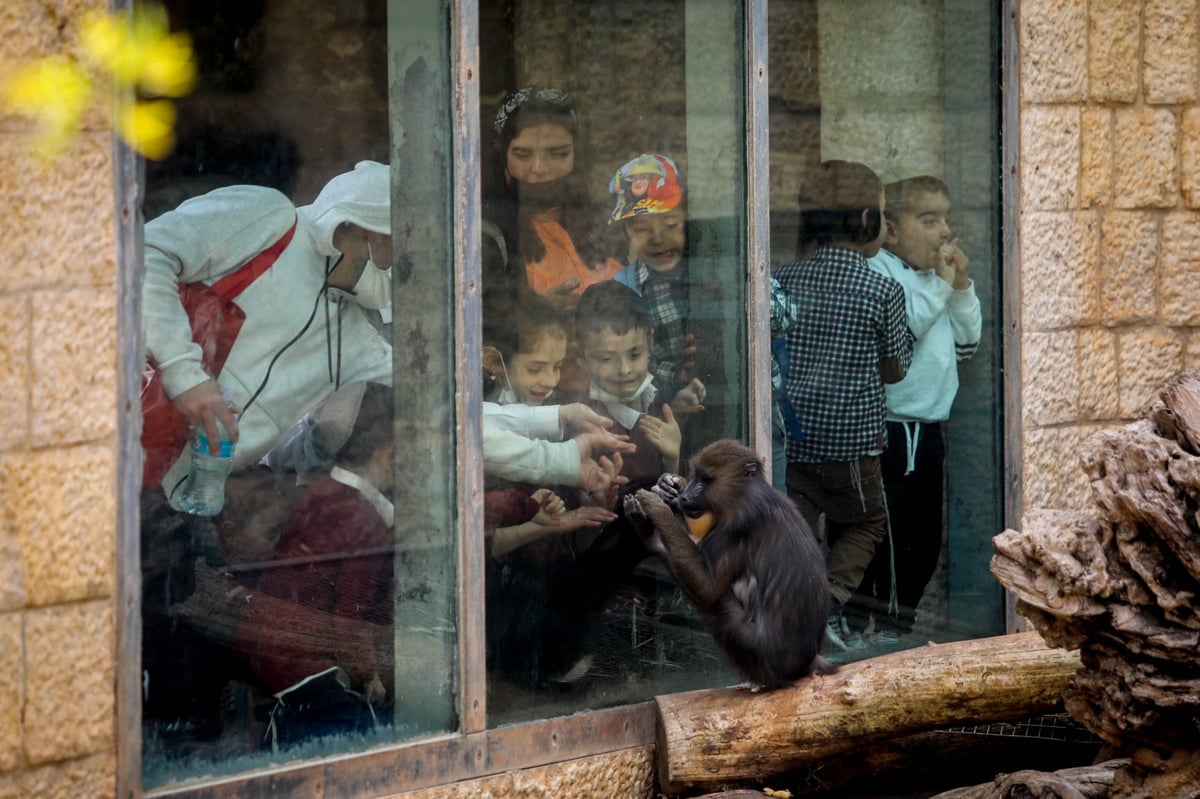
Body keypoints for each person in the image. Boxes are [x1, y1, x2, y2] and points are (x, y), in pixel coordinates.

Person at [143, 160, 394, 508]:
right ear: (371, 232)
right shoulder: (270, 218)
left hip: (176, 500)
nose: (394, 270)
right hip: (113, 431)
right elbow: (144, 253)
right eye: (394, 252)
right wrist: (185, 376)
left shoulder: (352, 337)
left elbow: (436, 393)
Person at [774, 160, 913, 654]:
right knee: (865, 523)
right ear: (864, 220)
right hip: (852, 447)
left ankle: (789, 613)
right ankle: (826, 605)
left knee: (795, 530)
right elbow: (896, 368)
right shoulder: (882, 287)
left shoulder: (783, 278)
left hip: (793, 441)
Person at [846, 173, 982, 647]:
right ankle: (857, 625)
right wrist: (944, 287)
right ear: (891, 231)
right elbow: (901, 332)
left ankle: (896, 629)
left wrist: (961, 287)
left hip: (928, 432)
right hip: (883, 429)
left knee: (922, 539)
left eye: (946, 219)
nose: (945, 231)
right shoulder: (881, 272)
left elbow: (968, 343)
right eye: (929, 219)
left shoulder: (936, 281)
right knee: (876, 536)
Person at [234, 383, 396, 742]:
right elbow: (349, 613)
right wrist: (368, 673)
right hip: (300, 659)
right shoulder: (365, 519)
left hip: (265, 640)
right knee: (356, 728)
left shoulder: (317, 490)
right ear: (389, 456)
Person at [482, 86, 622, 314]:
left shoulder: (607, 225)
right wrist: (536, 312)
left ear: (578, 156)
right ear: (502, 158)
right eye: (522, 155)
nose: (539, 168)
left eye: (558, 154)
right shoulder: (487, 236)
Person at [574, 280, 706, 482]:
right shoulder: (588, 426)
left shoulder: (659, 396)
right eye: (606, 359)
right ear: (581, 359)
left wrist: (677, 413)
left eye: (634, 355)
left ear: (650, 342)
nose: (624, 370)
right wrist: (671, 461)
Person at [609, 153, 699, 399]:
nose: (657, 238)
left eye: (670, 225)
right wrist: (677, 373)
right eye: (641, 229)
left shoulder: (712, 271)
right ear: (626, 233)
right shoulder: (623, 288)